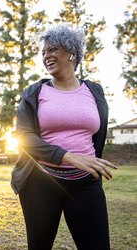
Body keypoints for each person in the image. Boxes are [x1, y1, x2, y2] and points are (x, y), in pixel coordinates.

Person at [12, 24, 117, 250]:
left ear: (71, 53)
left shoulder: (94, 91)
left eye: (52, 50)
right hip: (41, 183)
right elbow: (24, 137)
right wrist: (68, 156)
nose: (46, 56)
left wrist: (86, 160)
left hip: (86, 184)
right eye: (43, 52)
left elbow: (96, 134)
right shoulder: (35, 93)